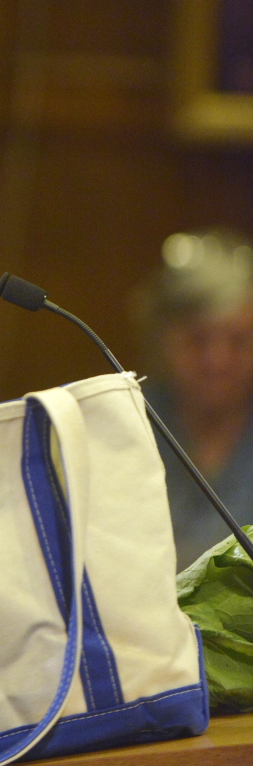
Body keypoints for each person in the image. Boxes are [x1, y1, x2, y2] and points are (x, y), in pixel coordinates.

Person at [134, 229, 253, 571]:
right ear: (161, 339)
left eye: (238, 340)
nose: (217, 361)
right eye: (199, 340)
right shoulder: (126, 423)